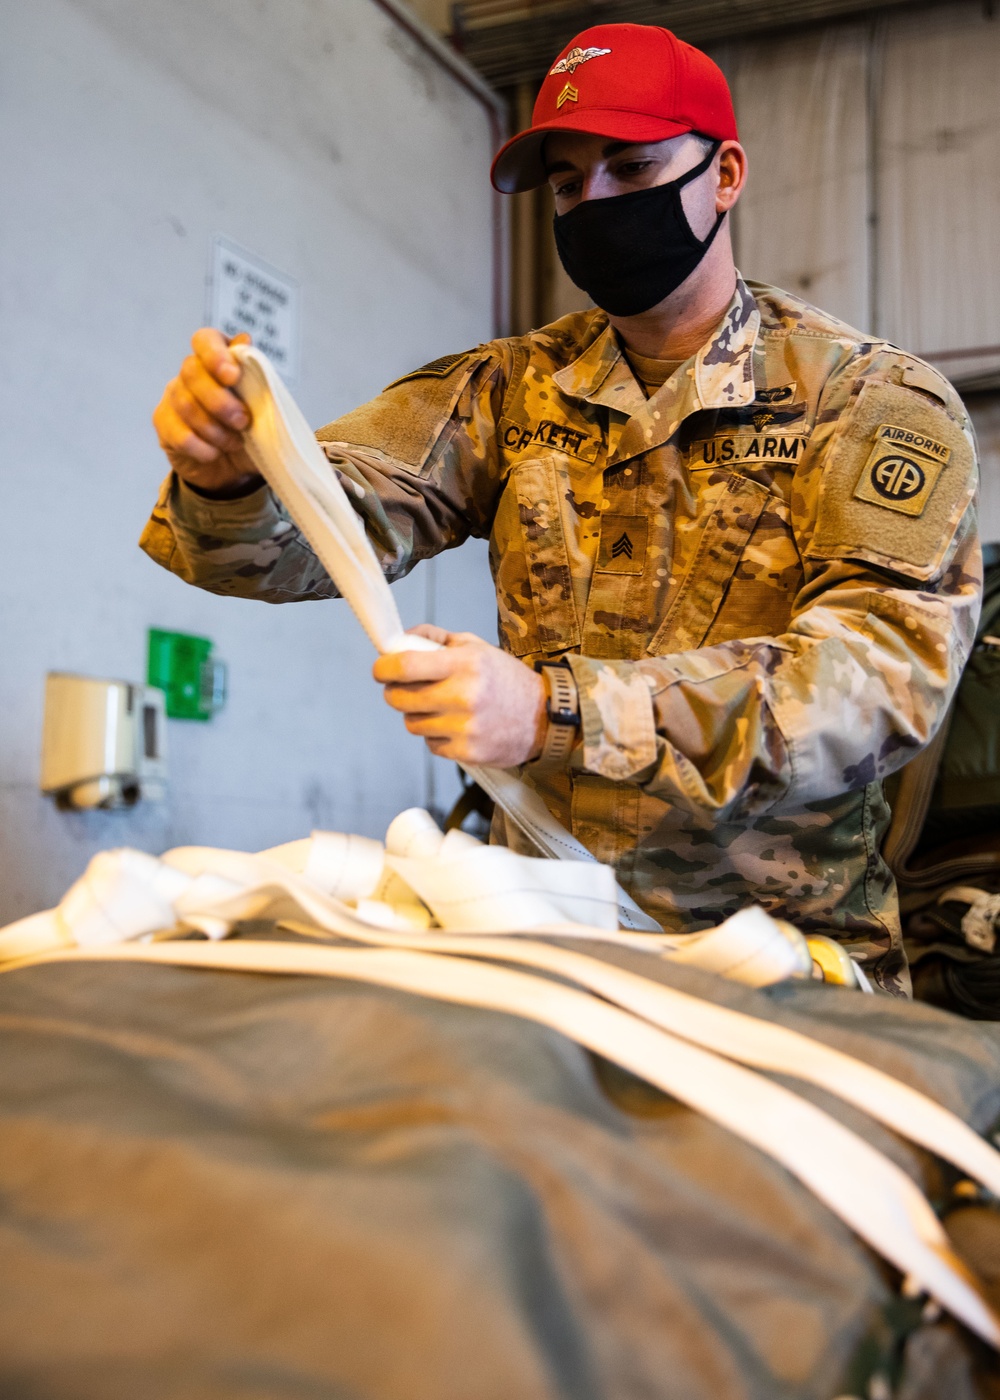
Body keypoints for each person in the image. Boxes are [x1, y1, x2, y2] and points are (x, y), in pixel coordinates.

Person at [143, 22, 980, 993]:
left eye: (631, 168)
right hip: (543, 949)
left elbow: (877, 682)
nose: (597, 204)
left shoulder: (869, 401)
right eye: (569, 184)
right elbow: (318, 533)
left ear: (725, 174)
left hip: (780, 970)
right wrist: (229, 472)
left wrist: (554, 714)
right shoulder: (510, 391)